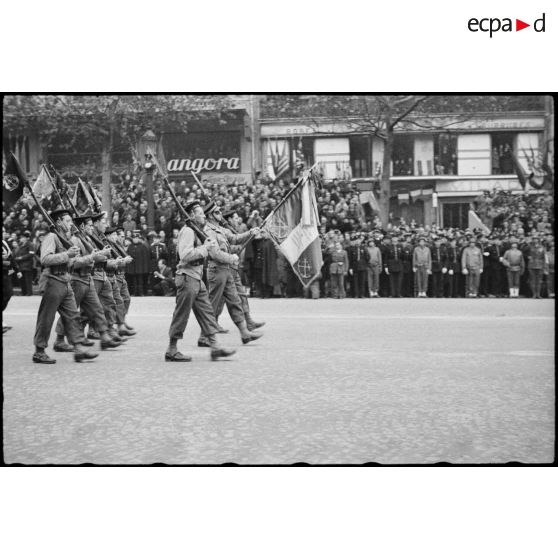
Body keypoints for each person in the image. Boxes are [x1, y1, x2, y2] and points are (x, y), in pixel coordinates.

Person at [165, 200, 236, 362]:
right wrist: (206, 249)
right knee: (181, 314)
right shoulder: (188, 231)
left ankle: (215, 347)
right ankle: (172, 348)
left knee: (207, 312)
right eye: (200, 212)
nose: (204, 215)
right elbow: (185, 255)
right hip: (187, 277)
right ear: (192, 215)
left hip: (196, 277)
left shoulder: (197, 230)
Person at [31, 208, 98, 364]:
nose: (70, 224)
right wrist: (67, 254)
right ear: (59, 222)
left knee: (73, 316)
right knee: (46, 318)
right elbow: (45, 259)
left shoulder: (64, 238)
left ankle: (79, 347)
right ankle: (39, 351)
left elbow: (70, 263)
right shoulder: (52, 237)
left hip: (65, 280)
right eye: (67, 221)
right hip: (53, 280)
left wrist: (84, 258)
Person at [52, 214, 121, 352]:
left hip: (87, 278)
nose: (92, 227)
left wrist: (102, 255)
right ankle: (59, 339)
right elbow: (74, 263)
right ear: (82, 226)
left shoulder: (86, 239)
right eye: (89, 225)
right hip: (77, 278)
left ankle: (104, 336)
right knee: (70, 312)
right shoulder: (75, 240)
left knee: (97, 309)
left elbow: (93, 257)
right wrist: (94, 256)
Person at [197, 202, 263, 347]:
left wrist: (251, 232)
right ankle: (203, 336)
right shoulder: (209, 231)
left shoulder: (220, 229)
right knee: (212, 306)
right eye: (217, 212)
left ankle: (244, 333)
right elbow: (214, 253)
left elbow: (235, 238)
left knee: (235, 301)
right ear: (210, 215)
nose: (220, 213)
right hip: (216, 271)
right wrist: (231, 258)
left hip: (226, 270)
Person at [3, 231, 22, 333]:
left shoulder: (5, 243)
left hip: (6, 273)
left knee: (8, 294)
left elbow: (11, 258)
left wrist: (17, 270)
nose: (4, 233)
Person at [14, 231, 35, 295]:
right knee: (22, 279)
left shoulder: (30, 244)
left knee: (28, 280)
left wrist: (21, 258)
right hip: (20, 265)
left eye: (22, 237)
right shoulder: (20, 245)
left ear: (26, 238)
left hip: (27, 265)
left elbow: (31, 254)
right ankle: (24, 292)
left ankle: (29, 292)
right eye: (21, 238)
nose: (21, 239)